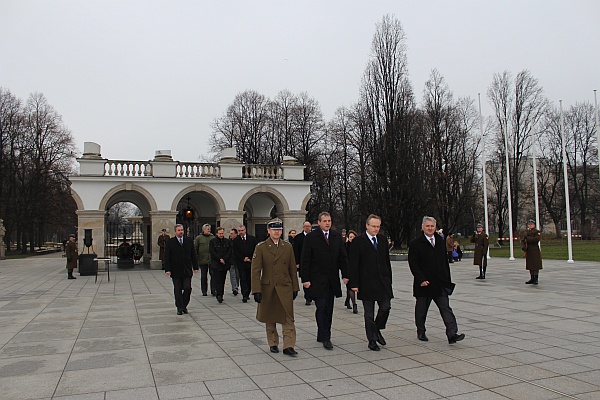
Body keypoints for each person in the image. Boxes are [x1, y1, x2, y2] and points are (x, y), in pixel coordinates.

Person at [408, 216, 465, 344]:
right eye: (427, 226)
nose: (430, 228)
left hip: (439, 283)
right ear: (422, 227)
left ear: (435, 227)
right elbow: (413, 264)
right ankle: (421, 331)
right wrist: (421, 279)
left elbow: (444, 262)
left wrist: (447, 280)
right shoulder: (416, 244)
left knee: (446, 308)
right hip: (424, 284)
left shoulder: (440, 241)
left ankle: (452, 334)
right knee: (421, 310)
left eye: (432, 226)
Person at [300, 212, 349, 350]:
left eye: (329, 220)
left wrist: (345, 275)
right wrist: (306, 279)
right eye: (325, 221)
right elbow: (305, 259)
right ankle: (326, 337)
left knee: (329, 309)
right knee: (321, 307)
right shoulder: (311, 237)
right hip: (317, 280)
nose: (327, 223)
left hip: (332, 280)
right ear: (319, 222)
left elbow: (342, 257)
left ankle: (322, 333)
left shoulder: (336, 237)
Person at [251, 219, 299, 356]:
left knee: (288, 317)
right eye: (274, 230)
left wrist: (295, 287)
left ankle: (289, 345)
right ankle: (273, 342)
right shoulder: (261, 247)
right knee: (270, 317)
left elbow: (292, 269)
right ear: (268, 231)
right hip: (268, 287)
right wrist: (256, 290)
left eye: (279, 230)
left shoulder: (287, 247)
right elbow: (255, 270)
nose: (276, 232)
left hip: (285, 286)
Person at [349, 215, 393, 351]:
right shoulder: (358, 241)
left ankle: (377, 329)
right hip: (366, 282)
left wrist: (389, 279)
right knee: (369, 313)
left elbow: (386, 261)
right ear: (367, 226)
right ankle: (372, 340)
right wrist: (354, 283)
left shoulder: (382, 240)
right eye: (374, 226)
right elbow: (353, 264)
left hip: (382, 282)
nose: (376, 229)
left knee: (386, 307)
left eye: (378, 226)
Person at [164, 224, 199, 315]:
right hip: (176, 270)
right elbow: (167, 256)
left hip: (187, 269)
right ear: (175, 232)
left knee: (187, 288)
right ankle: (180, 307)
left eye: (182, 230)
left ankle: (184, 304)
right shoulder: (170, 242)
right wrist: (167, 269)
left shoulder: (189, 241)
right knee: (178, 289)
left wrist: (195, 267)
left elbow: (193, 254)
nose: (181, 232)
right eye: (179, 230)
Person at [232, 225, 258, 302]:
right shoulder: (236, 240)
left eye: (242, 230)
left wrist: (249, 258)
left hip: (250, 262)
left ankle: (248, 291)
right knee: (243, 278)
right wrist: (243, 258)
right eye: (239, 231)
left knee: (249, 278)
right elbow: (235, 251)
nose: (241, 232)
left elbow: (255, 249)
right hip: (241, 262)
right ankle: (244, 294)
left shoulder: (252, 239)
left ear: (245, 230)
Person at [209, 227, 232, 303]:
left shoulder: (227, 241)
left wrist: (224, 259)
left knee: (223, 280)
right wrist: (219, 259)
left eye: (222, 233)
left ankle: (221, 294)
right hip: (216, 264)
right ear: (216, 234)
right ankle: (218, 294)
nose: (221, 235)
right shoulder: (213, 242)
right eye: (220, 233)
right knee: (217, 280)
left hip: (224, 264)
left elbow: (229, 251)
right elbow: (212, 252)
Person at [293, 221, 313, 305]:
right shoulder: (298, 238)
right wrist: (297, 262)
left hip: (313, 262)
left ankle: (313, 295)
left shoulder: (314, 236)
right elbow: (296, 251)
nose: (307, 228)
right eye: (305, 226)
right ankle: (308, 297)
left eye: (308, 226)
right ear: (303, 227)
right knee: (305, 279)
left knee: (313, 280)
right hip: (303, 262)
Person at [194, 224, 214, 296]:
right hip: (202, 260)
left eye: (209, 229)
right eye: (207, 229)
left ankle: (213, 290)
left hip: (212, 260)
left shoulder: (212, 237)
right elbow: (195, 248)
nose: (209, 230)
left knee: (213, 275)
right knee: (203, 276)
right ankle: (204, 290)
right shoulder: (199, 238)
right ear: (203, 230)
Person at [522, 220, 542, 285]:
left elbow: (536, 239)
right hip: (529, 249)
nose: (530, 225)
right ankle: (532, 277)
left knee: (535, 264)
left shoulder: (536, 232)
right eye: (529, 224)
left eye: (531, 224)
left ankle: (536, 278)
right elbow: (523, 239)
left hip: (535, 249)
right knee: (530, 264)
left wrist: (527, 238)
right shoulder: (527, 232)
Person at [344, 230, 359, 314]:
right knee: (349, 287)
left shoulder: (358, 246)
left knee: (350, 287)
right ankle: (354, 305)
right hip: (348, 269)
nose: (352, 239)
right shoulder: (345, 246)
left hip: (356, 269)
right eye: (350, 237)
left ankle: (347, 300)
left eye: (353, 237)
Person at [228, 228, 240, 296]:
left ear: (236, 234)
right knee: (232, 275)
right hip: (231, 261)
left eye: (232, 233)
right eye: (230, 233)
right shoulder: (229, 241)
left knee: (237, 275)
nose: (230, 235)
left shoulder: (239, 241)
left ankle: (236, 286)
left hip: (238, 260)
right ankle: (234, 288)